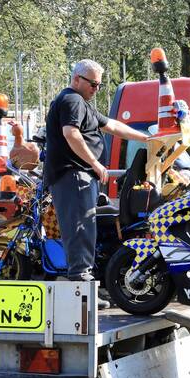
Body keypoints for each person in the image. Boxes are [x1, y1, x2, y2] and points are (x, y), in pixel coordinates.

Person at [44, 60, 148, 287]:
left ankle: (83, 284)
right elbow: (71, 133)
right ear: (76, 79)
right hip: (73, 175)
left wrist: (146, 138)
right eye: (93, 84)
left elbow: (112, 126)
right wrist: (94, 163)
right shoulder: (72, 100)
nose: (96, 89)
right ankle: (81, 287)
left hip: (80, 176)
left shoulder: (83, 104)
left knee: (86, 228)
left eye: (99, 85)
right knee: (80, 229)